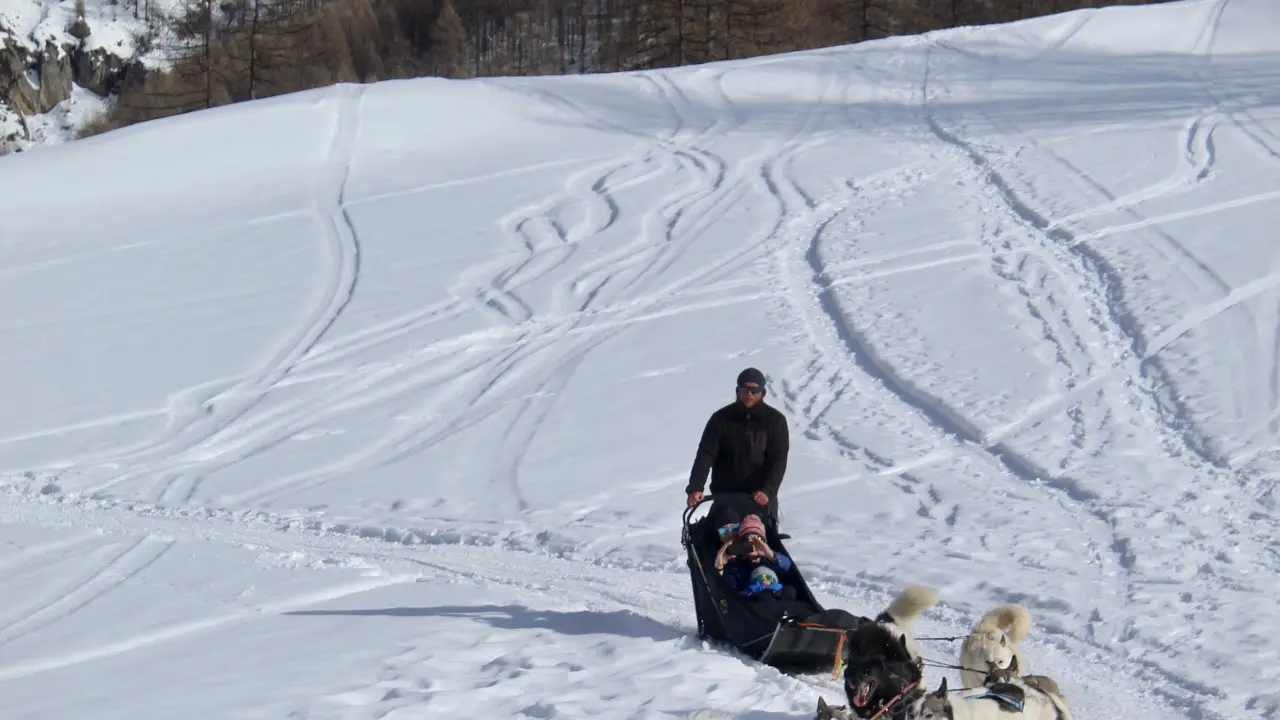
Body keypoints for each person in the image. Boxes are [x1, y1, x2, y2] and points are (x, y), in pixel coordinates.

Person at [686, 367, 790, 519]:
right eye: (744, 389)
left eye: (754, 390)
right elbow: (706, 454)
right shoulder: (720, 419)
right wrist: (695, 488)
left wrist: (767, 491)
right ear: (737, 390)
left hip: (760, 501)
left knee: (760, 539)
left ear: (762, 392)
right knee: (717, 539)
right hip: (726, 500)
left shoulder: (775, 421)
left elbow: (778, 460)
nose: (749, 394)